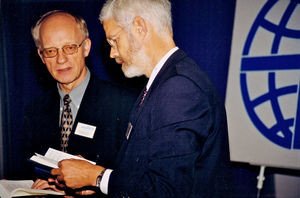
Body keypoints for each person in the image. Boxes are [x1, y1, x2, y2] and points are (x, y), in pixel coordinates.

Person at [51, 0, 233, 197]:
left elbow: (166, 190)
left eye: (114, 40)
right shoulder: (165, 81)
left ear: (140, 27)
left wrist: (97, 176)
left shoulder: (178, 88)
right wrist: (94, 178)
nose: (112, 53)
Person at [20, 10, 137, 194]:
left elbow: (138, 183)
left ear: (86, 48)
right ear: (41, 56)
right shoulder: (34, 110)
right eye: (51, 51)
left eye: (69, 47)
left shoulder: (124, 104)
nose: (61, 59)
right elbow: (30, 170)